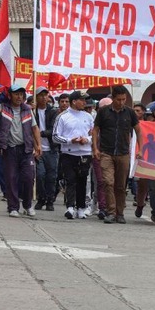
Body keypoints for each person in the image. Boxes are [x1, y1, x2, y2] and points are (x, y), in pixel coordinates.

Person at [0, 84, 43, 218]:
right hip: (9, 150)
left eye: (21, 94)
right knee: (11, 178)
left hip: (26, 150)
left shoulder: (27, 110)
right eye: (16, 94)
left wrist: (38, 145)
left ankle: (28, 205)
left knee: (29, 178)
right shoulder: (3, 108)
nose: (19, 97)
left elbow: (34, 128)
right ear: (10, 95)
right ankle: (13, 207)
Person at [92, 86, 141, 224]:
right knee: (108, 182)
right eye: (118, 99)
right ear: (113, 98)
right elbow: (95, 130)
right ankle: (111, 212)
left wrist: (140, 149)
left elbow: (139, 131)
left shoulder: (130, 113)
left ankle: (120, 213)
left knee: (120, 186)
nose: (121, 102)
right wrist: (95, 148)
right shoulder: (103, 112)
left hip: (123, 154)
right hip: (106, 153)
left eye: (124, 99)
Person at [52, 91, 94, 219]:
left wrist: (88, 139)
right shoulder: (63, 117)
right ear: (74, 101)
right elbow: (55, 137)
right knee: (70, 180)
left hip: (85, 153)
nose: (85, 102)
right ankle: (70, 206)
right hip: (68, 153)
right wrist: (71, 140)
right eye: (82, 100)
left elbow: (95, 135)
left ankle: (81, 207)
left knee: (82, 181)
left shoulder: (88, 116)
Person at [34, 87, 60, 212]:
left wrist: (39, 133)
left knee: (51, 176)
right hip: (38, 149)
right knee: (40, 175)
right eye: (41, 95)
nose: (44, 97)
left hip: (51, 149)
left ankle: (50, 200)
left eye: (46, 95)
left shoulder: (53, 111)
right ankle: (41, 198)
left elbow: (53, 130)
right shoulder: (33, 111)